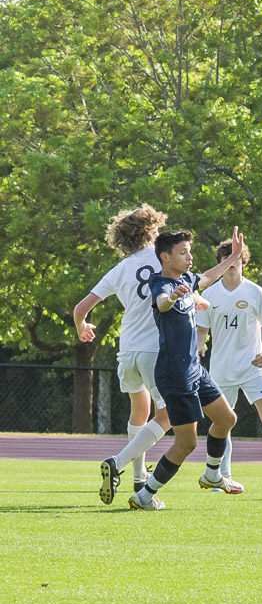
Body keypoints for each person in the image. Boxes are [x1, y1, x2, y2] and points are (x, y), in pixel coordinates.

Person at [127, 228, 248, 510]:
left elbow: (207, 277)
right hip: (174, 375)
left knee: (227, 419)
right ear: (165, 257)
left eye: (189, 251)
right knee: (186, 444)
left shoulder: (187, 279)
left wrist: (232, 257)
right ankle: (144, 496)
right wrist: (173, 297)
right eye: (183, 253)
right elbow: (161, 302)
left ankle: (212, 475)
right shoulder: (162, 284)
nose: (189, 257)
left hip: (194, 369)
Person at [74, 205, 173, 504]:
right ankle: (119, 462)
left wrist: (83, 327)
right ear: (149, 232)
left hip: (127, 349)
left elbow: (81, 308)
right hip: (154, 348)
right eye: (156, 229)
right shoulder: (163, 259)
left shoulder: (121, 268)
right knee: (167, 416)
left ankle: (139, 479)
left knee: (139, 411)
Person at [195, 238, 262, 493]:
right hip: (221, 370)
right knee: (224, 422)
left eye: (236, 259)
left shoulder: (255, 292)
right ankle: (224, 477)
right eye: (226, 259)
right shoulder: (209, 294)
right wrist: (200, 345)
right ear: (220, 264)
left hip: (252, 368)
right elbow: (202, 328)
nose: (231, 264)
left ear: (243, 262)